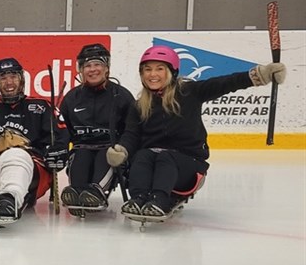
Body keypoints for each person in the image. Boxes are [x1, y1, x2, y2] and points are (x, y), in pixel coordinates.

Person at [107, 45, 286, 217]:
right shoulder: (139, 105)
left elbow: (224, 83)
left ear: (171, 72)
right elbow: (132, 135)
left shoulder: (189, 92)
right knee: (142, 156)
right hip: (154, 162)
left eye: (159, 69)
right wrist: (122, 150)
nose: (153, 74)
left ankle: (160, 198)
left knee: (165, 156)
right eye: (147, 69)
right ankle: (138, 198)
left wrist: (259, 75)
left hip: (188, 167)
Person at [0, 57, 70, 225]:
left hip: (34, 172)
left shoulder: (41, 107)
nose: (9, 82)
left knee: (15, 154)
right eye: (3, 78)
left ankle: (10, 198)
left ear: (22, 79)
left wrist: (58, 152)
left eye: (13, 76)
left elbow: (61, 138)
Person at [58, 43, 135, 211]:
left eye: (97, 64)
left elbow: (132, 130)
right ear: (81, 70)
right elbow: (63, 130)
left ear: (107, 68)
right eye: (87, 66)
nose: (92, 70)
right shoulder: (72, 98)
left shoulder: (122, 96)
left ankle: (96, 192)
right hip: (81, 148)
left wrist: (123, 149)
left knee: (105, 156)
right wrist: (59, 149)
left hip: (110, 150)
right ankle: (77, 192)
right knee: (81, 156)